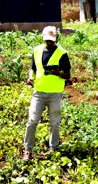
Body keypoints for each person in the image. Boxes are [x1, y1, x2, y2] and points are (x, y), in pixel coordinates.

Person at [22, 26, 71, 160]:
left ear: (56, 39)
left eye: (52, 40)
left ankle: (53, 147)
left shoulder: (62, 53)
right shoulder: (37, 50)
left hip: (55, 93)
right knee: (32, 121)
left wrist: (58, 73)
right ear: (43, 38)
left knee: (54, 122)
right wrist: (30, 77)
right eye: (47, 40)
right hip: (38, 92)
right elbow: (32, 68)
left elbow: (68, 75)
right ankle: (27, 150)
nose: (49, 42)